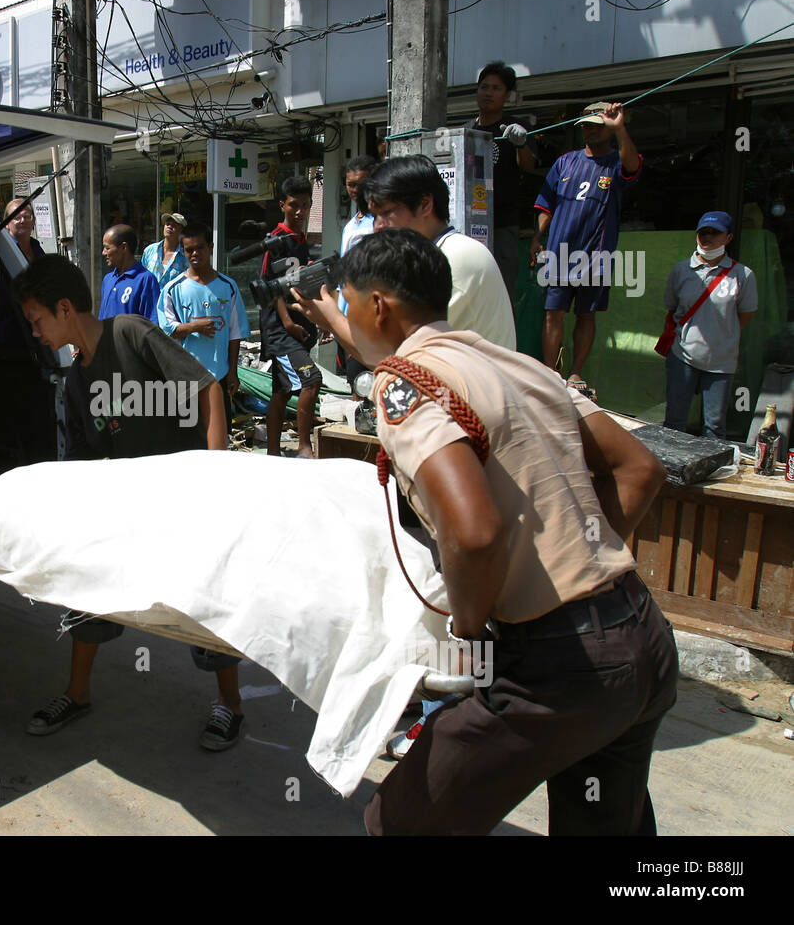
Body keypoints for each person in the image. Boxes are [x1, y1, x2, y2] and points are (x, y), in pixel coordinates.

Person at [293, 228, 677, 835]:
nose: (347, 315)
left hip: (555, 666)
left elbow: (473, 535)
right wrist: (581, 562)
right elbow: (640, 469)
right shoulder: (519, 364)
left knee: (401, 822)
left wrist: (468, 634)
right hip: (641, 638)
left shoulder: (404, 383)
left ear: (378, 305)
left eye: (348, 302)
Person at [14, 254, 246, 751]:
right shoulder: (76, 379)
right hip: (130, 508)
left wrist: (216, 474)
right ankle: (77, 693)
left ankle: (230, 703)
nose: (35, 332)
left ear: (64, 308)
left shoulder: (129, 332)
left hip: (186, 496)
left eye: (36, 320)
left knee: (204, 603)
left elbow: (206, 390)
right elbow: (82, 458)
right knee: (86, 589)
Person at [530, 101, 642, 386]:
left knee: (586, 314)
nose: (590, 131)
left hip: (596, 253)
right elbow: (546, 204)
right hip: (559, 251)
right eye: (586, 126)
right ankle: (550, 373)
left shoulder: (616, 161)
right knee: (553, 313)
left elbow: (632, 166)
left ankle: (575, 371)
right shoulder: (564, 162)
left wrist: (620, 128)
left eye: (597, 126)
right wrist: (537, 237)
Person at [364, 155, 516, 350]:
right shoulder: (430, 256)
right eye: (374, 216)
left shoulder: (456, 257)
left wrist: (332, 317)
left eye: (386, 213)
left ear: (425, 205)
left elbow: (397, 350)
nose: (378, 226)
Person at [663, 211, 758, 439]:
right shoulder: (681, 270)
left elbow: (745, 316)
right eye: (703, 232)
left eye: (715, 232)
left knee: (714, 426)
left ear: (729, 238)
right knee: (674, 421)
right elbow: (672, 307)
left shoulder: (743, 275)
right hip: (683, 355)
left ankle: (712, 464)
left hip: (721, 361)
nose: (708, 237)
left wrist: (721, 334)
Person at [259, 176, 323, 458]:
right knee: (311, 380)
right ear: (282, 205)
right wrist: (288, 323)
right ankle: (305, 448)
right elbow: (271, 288)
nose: (299, 211)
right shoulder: (276, 239)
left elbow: (297, 283)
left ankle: (273, 453)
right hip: (282, 330)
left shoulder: (300, 239)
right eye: (294, 205)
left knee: (282, 391)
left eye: (305, 205)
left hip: (299, 326)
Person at [465, 61, 538, 300]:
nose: (489, 93)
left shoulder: (516, 127)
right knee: (470, 292)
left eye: (496, 88)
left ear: (507, 95)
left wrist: (521, 144)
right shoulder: (466, 129)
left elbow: (529, 165)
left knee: (501, 294)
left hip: (503, 224)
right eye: (484, 87)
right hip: (468, 225)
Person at [156, 222, 250, 405]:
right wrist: (194, 327)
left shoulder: (228, 286)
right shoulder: (172, 289)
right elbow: (166, 330)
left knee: (220, 424)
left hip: (220, 375)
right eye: (189, 250)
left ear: (211, 247)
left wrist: (233, 372)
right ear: (183, 251)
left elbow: (235, 333)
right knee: (189, 424)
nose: (195, 253)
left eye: (200, 248)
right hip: (185, 376)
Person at [338, 155, 379, 387]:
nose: (355, 190)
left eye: (360, 184)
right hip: (348, 318)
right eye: (350, 184)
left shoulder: (380, 223)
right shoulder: (352, 224)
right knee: (357, 384)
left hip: (369, 319)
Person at [98, 224, 161, 322]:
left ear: (123, 247)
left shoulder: (146, 280)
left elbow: (152, 323)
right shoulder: (108, 279)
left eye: (107, 248)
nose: (103, 252)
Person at [141, 211, 189, 290]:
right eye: (167, 224)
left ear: (181, 231)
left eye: (174, 225)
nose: (169, 227)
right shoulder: (149, 250)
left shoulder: (185, 256)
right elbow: (141, 276)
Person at [4, 197, 44, 262]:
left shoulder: (35, 246)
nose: (23, 221)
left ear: (34, 221)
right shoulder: (2, 249)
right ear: (6, 223)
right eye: (17, 217)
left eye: (27, 216)